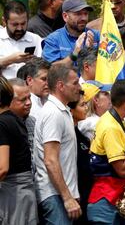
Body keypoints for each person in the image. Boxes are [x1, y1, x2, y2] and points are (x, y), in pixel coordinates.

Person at [87, 79, 125, 225]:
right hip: (106, 201)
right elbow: (122, 170)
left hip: (116, 198)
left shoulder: (115, 120)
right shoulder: (111, 127)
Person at [34, 64, 82, 224]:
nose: (79, 87)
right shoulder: (53, 113)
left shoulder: (62, 111)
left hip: (61, 194)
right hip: (55, 195)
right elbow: (50, 160)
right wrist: (67, 197)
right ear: (61, 86)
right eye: (75, 83)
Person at [0, 76, 37, 225]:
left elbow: (2, 168)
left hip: (14, 194)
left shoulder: (2, 123)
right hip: (23, 192)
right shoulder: (15, 119)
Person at [42, 0, 100, 65]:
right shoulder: (53, 39)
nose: (83, 18)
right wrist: (74, 54)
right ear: (65, 16)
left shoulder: (97, 36)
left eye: (86, 13)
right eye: (78, 14)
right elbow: (52, 69)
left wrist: (91, 51)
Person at [67, 91, 92, 225]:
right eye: (82, 105)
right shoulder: (68, 137)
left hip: (87, 193)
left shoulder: (82, 137)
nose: (86, 108)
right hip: (75, 193)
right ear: (71, 111)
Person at [0, 0, 43, 79]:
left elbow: (45, 68)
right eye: (15, 24)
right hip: (4, 89)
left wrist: (35, 63)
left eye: (23, 23)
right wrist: (10, 60)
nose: (20, 28)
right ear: (4, 22)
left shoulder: (36, 39)